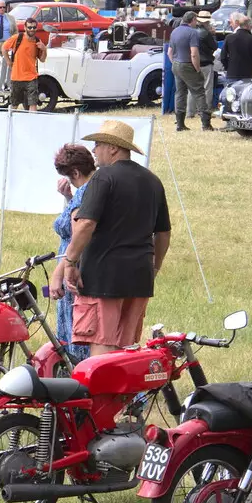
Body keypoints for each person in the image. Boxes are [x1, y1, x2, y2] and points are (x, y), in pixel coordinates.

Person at [62, 120, 171, 356]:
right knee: (127, 350)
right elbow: (163, 233)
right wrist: (155, 267)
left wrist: (70, 262)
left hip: (104, 276)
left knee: (103, 345)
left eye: (98, 144)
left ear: (113, 148)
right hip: (139, 277)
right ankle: (124, 395)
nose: (94, 150)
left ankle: (102, 395)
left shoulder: (103, 178)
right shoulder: (153, 181)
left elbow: (87, 223)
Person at [47, 143, 97, 364]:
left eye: (70, 177)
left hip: (73, 266)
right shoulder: (89, 191)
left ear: (76, 172)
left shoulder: (86, 192)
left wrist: (60, 271)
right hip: (71, 262)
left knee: (79, 329)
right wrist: (68, 197)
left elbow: (77, 231)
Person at [168, 11, 211, 131]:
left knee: (180, 93)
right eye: (196, 20)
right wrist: (197, 68)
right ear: (192, 20)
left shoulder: (175, 31)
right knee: (199, 92)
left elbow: (169, 52)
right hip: (187, 64)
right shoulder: (193, 33)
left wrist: (175, 64)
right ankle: (206, 124)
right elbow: (194, 54)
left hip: (176, 64)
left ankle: (180, 124)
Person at [2, 16, 46, 111]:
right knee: (14, 105)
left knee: (33, 103)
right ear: (25, 28)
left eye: (34, 27)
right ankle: (9, 123)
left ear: (36, 28)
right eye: (29, 27)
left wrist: (44, 49)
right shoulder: (17, 38)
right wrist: (8, 61)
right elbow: (4, 48)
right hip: (17, 77)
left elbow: (42, 59)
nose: (32, 29)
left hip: (31, 78)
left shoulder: (38, 42)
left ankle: (32, 124)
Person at [221, 13, 252, 83]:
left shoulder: (229, 38)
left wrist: (229, 67)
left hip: (232, 73)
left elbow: (223, 57)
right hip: (247, 74)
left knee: (231, 93)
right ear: (249, 26)